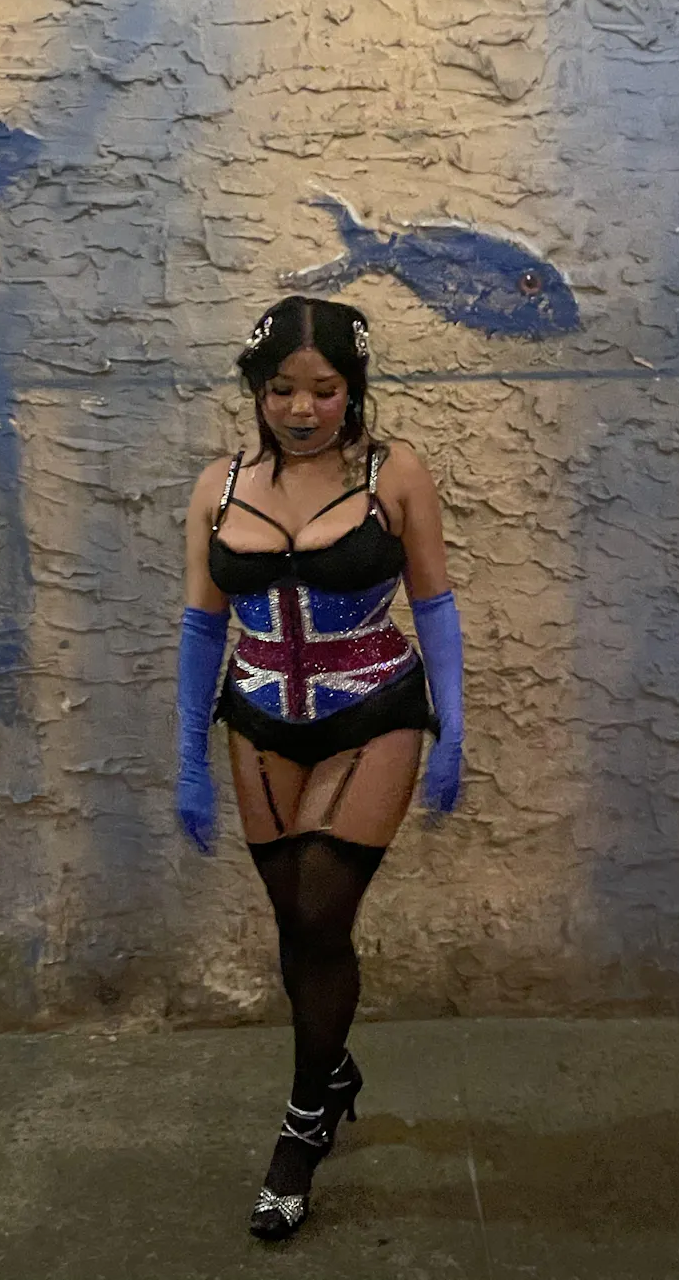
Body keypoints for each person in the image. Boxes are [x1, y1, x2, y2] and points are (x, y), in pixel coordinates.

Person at [175, 295, 464, 1240]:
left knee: (322, 910)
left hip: (373, 711)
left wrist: (453, 727)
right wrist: (185, 753)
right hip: (258, 718)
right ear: (257, 390)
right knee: (294, 926)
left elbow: (435, 605)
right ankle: (333, 1069)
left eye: (325, 389)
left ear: (354, 386)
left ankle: (301, 1131)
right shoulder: (219, 486)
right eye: (281, 390)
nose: (302, 409)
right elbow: (202, 626)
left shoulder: (395, 473)